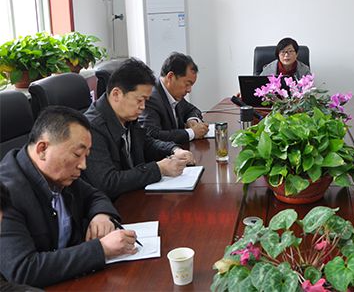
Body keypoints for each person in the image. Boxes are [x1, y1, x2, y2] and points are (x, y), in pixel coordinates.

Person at [0, 107, 138, 288]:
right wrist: (101, 249)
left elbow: (95, 195)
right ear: (42, 149)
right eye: (77, 155)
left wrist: (101, 215)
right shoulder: (6, 193)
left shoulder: (58, 174)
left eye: (86, 156)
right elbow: (22, 270)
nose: (83, 165)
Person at [82, 58, 195, 200]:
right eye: (139, 100)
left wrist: (174, 150)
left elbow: (146, 143)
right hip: (114, 206)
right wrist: (159, 169)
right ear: (116, 94)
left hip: (135, 195)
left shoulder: (126, 116)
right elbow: (108, 182)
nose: (143, 107)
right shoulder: (92, 128)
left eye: (145, 101)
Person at [139, 52, 208, 145]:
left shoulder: (174, 93)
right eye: (187, 84)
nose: (189, 90)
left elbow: (192, 109)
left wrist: (192, 120)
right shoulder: (151, 98)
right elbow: (152, 135)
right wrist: (192, 133)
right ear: (170, 77)